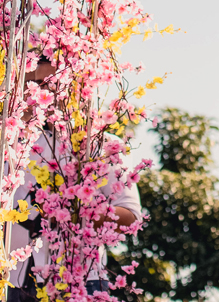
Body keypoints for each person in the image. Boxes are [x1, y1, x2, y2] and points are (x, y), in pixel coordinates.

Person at [8, 54, 141, 302]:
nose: (42, 94)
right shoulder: (11, 146)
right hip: (14, 284)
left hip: (80, 282)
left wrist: (72, 213)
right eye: (34, 84)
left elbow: (131, 217)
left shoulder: (102, 146)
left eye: (52, 84)